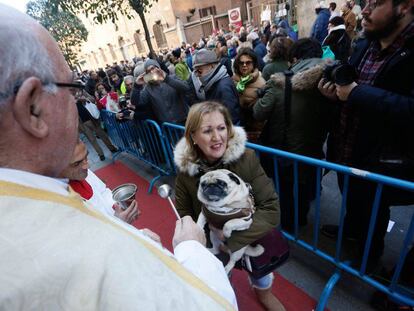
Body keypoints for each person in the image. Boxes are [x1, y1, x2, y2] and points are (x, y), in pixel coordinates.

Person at [0, 4, 237, 310]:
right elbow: (213, 305)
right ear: (33, 108)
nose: (76, 103)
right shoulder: (81, 252)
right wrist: (191, 248)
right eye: (72, 90)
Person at [318, 0, 414, 275]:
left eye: (377, 2)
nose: (366, 10)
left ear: (405, 6)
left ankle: (368, 256)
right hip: (347, 146)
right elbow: (348, 89)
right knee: (353, 197)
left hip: (384, 157)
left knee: (374, 206)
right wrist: (335, 95)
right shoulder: (364, 45)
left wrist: (357, 93)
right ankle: (350, 230)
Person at [174, 101, 285, 311]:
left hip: (253, 235)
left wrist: (234, 240)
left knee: (261, 275)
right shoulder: (185, 172)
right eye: (207, 131)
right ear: (193, 138)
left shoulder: (247, 159)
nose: (217, 137)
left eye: (221, 128)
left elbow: (270, 207)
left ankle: (264, 294)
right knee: (221, 281)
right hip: (211, 242)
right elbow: (184, 211)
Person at [253, 38, 335, 232]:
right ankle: (303, 216)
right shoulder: (332, 79)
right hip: (315, 146)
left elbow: (259, 112)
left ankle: (290, 226)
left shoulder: (281, 82)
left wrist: (262, 96)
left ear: (295, 58)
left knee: (288, 190)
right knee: (306, 183)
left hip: (287, 149)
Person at [60, 140, 140, 224]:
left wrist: (120, 207)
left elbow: (103, 191)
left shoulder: (80, 171)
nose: (88, 165)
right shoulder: (60, 201)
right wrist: (120, 222)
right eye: (76, 164)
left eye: (86, 156)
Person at [189, 49, 240, 124]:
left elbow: (232, 119)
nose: (197, 75)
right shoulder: (214, 82)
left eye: (199, 71)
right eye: (195, 72)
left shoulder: (223, 87)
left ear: (212, 66)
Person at [138, 59, 189, 124]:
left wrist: (166, 79)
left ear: (158, 68)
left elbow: (186, 87)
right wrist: (137, 86)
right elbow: (138, 102)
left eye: (153, 68)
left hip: (184, 121)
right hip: (168, 127)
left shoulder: (172, 78)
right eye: (148, 71)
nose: (152, 72)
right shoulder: (148, 88)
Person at [232, 48, 266, 142]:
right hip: (237, 130)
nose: (244, 65)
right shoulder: (232, 81)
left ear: (254, 64)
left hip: (255, 131)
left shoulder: (262, 83)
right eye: (241, 62)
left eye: (248, 62)